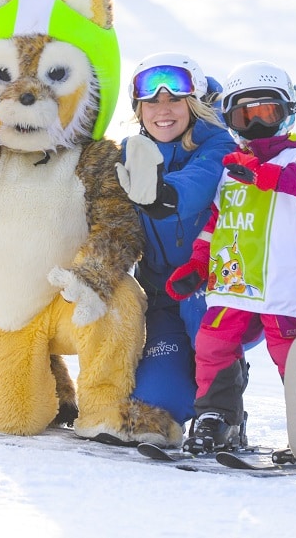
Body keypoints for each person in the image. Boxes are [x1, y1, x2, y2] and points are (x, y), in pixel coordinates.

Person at [166, 60, 296, 454]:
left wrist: (266, 175)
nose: (256, 125)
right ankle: (217, 418)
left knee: (293, 359)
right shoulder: (232, 170)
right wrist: (196, 265)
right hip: (234, 286)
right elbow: (217, 224)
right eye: (245, 116)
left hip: (286, 291)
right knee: (211, 344)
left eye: (266, 113)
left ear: (287, 110)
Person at [114, 52, 236, 432]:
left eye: (174, 99)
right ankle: (185, 393)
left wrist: (162, 195)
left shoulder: (218, 145)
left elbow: (197, 185)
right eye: (151, 101)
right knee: (158, 403)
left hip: (211, 290)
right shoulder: (130, 152)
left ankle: (225, 414)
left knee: (206, 335)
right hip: (161, 296)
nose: (162, 110)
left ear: (194, 102)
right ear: (139, 109)